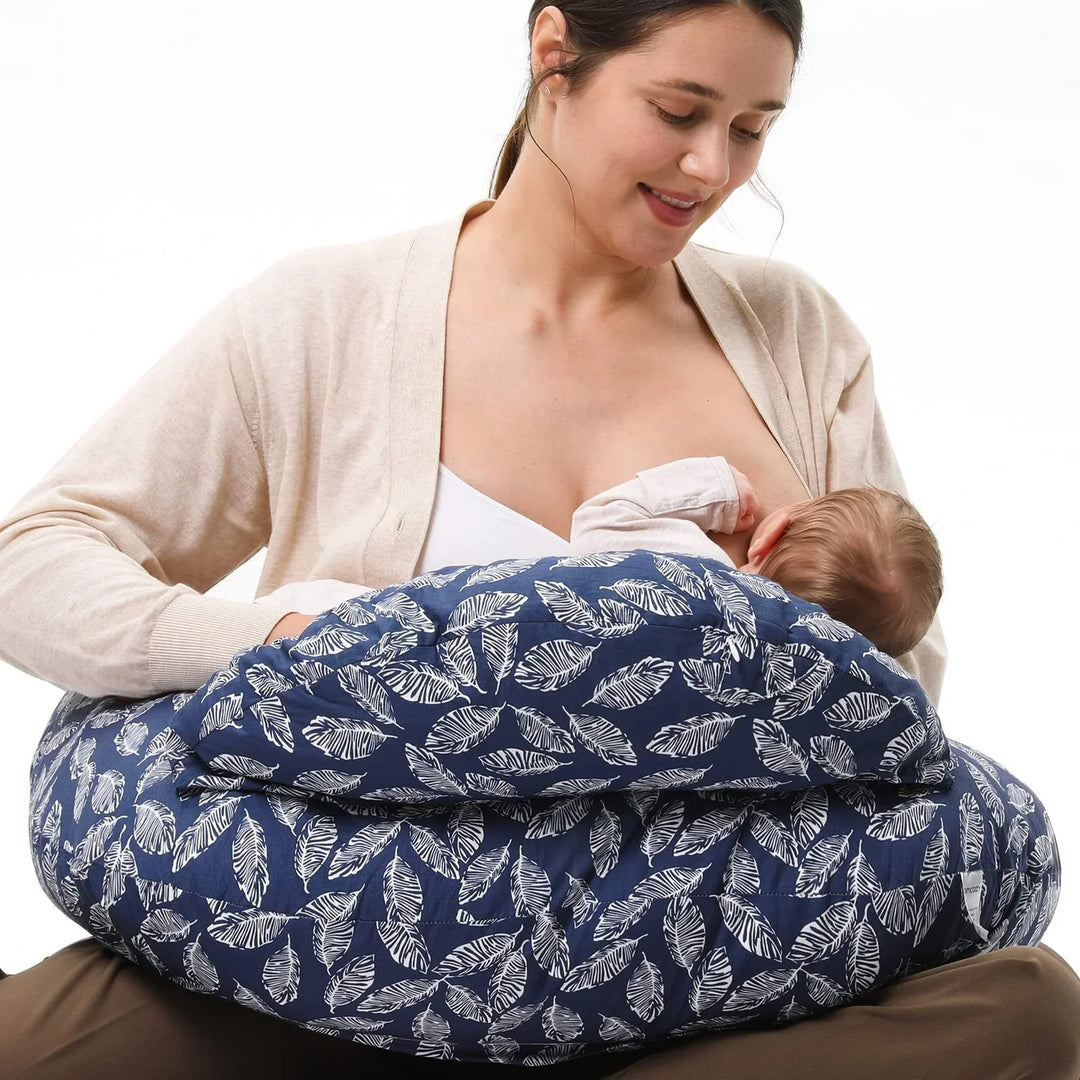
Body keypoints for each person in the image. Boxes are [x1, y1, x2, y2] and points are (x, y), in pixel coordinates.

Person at [0, 2, 1077, 1077]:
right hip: (347, 957)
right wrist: (279, 637)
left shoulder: (795, 335)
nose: (711, 167)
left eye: (754, 129)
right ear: (553, 52)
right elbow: (34, 556)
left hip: (695, 987)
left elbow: (898, 709)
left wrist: (783, 626)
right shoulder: (332, 314)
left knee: (1029, 1008)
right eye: (678, 110)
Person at [261, 455, 943, 661]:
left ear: (769, 535)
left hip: (450, 628)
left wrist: (716, 491)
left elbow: (600, 519)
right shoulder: (779, 688)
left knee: (333, 617)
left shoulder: (690, 564)